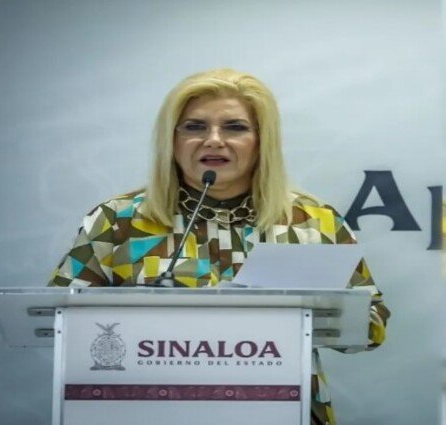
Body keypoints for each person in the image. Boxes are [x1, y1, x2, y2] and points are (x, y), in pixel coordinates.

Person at [49, 68, 389, 425]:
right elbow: (57, 321)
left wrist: (313, 314)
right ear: (171, 140)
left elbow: (372, 326)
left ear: (262, 140)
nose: (213, 140)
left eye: (234, 127)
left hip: (282, 410)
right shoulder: (119, 222)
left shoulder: (312, 222)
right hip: (151, 411)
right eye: (194, 127)